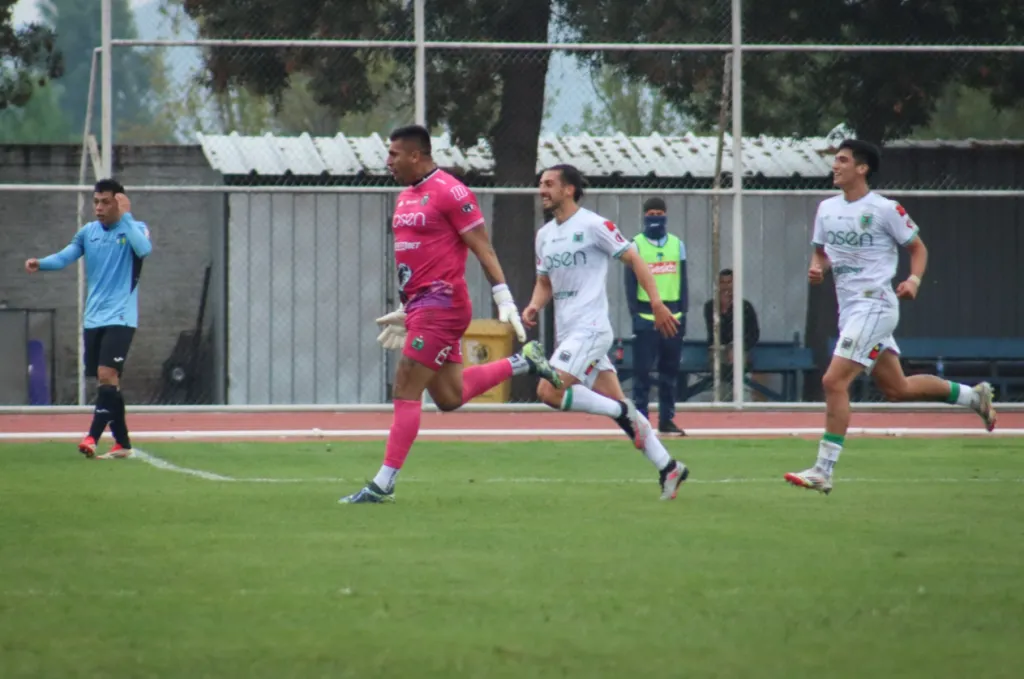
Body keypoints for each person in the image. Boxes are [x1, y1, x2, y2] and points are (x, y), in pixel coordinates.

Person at [340, 125, 561, 504]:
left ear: (416, 155)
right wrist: (407, 308)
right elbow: (418, 257)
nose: (388, 161)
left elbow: (484, 249)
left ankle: (382, 484)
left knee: (405, 385)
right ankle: (524, 362)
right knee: (448, 396)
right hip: (423, 305)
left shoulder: (451, 191)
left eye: (394, 154)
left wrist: (504, 298)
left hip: (443, 305)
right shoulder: (406, 197)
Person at [784, 139, 996, 495]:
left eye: (842, 160)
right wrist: (816, 268)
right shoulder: (826, 209)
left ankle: (823, 470)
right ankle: (974, 398)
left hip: (875, 305)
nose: (835, 166)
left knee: (833, 381)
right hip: (850, 310)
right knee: (897, 388)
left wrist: (913, 279)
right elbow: (821, 254)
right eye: (835, 160)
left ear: (862, 168)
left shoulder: (885, 209)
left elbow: (918, 248)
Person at [522, 165, 690, 501]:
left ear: (569, 189)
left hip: (591, 329)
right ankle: (668, 467)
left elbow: (636, 259)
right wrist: (534, 305)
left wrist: (656, 303)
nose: (542, 190)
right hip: (569, 333)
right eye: (540, 184)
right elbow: (544, 282)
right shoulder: (544, 236)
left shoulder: (594, 225)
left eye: (549, 184)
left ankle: (619, 412)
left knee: (548, 391)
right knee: (621, 404)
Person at [25, 178, 152, 459]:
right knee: (107, 383)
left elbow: (144, 250)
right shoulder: (88, 233)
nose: (98, 207)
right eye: (96, 201)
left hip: (121, 316)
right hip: (93, 318)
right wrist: (40, 263)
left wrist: (127, 216)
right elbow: (64, 257)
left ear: (119, 202)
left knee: (107, 375)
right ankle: (123, 444)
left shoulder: (135, 228)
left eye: (105, 202)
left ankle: (92, 436)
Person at [625, 197, 687, 436]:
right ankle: (641, 422)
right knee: (642, 372)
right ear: (644, 216)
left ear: (666, 215)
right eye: (651, 213)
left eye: (659, 212)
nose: (655, 217)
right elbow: (630, 283)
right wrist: (636, 314)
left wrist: (683, 313)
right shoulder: (636, 245)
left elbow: (683, 282)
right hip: (645, 316)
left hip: (674, 317)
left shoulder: (677, 244)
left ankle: (667, 419)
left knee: (669, 372)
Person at [702, 268, 761, 397]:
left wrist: (736, 346)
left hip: (740, 349)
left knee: (737, 361)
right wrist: (722, 310)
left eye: (729, 282)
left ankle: (732, 398)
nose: (726, 286)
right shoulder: (710, 306)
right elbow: (714, 333)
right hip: (719, 348)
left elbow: (754, 334)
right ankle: (726, 398)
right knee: (719, 362)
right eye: (722, 282)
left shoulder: (745, 306)